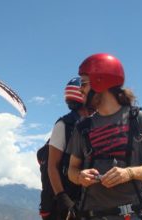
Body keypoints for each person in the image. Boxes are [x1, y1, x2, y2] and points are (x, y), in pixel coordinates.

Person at [67, 53, 142, 220]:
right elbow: (71, 170)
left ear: (100, 82)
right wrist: (80, 176)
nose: (80, 89)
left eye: (83, 83)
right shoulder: (82, 128)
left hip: (131, 214)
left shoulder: (139, 120)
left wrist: (129, 173)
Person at [41, 77, 90, 220]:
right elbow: (52, 166)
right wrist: (64, 200)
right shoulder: (64, 125)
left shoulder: (93, 124)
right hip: (65, 202)